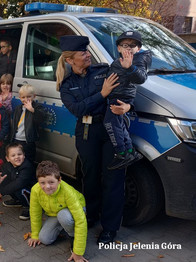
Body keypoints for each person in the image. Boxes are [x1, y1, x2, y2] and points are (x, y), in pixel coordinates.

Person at [57, 35, 131, 244]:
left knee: (113, 179)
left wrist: (128, 106)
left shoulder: (102, 70)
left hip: (110, 130)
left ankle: (110, 228)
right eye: (83, 53)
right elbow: (77, 109)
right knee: (89, 177)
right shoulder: (66, 84)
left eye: (87, 51)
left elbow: (125, 90)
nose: (88, 55)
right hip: (87, 132)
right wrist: (102, 94)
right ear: (70, 60)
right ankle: (91, 216)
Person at [104, 31, 152, 170]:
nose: (128, 48)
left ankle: (121, 153)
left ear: (138, 48)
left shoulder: (137, 61)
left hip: (121, 98)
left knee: (110, 123)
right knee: (120, 125)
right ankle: (130, 152)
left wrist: (130, 67)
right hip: (117, 95)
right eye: (125, 45)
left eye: (133, 45)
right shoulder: (119, 59)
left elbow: (141, 78)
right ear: (118, 48)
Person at [28, 161, 88, 262]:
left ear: (59, 180)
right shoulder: (35, 190)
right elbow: (35, 213)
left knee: (64, 216)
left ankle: (72, 235)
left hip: (74, 211)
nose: (47, 187)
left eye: (51, 182)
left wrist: (78, 252)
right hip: (55, 213)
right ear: (38, 181)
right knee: (44, 239)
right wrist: (35, 235)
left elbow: (80, 221)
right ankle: (63, 225)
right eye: (42, 182)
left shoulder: (67, 192)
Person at [0, 143, 35, 220]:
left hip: (32, 192)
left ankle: (29, 206)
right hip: (21, 188)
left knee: (18, 188)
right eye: (13, 155)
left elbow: (19, 183)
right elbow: (3, 178)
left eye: (19, 154)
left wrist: (2, 192)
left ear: (24, 155)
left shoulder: (27, 166)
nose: (17, 157)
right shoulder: (7, 166)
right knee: (7, 183)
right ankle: (18, 200)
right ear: (7, 158)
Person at [10, 84, 46, 162]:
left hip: (28, 141)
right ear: (20, 97)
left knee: (29, 161)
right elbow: (14, 124)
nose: (26, 99)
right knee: (17, 160)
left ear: (34, 96)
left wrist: (32, 110)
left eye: (29, 96)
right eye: (23, 97)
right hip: (17, 139)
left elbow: (41, 118)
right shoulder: (18, 108)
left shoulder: (37, 107)